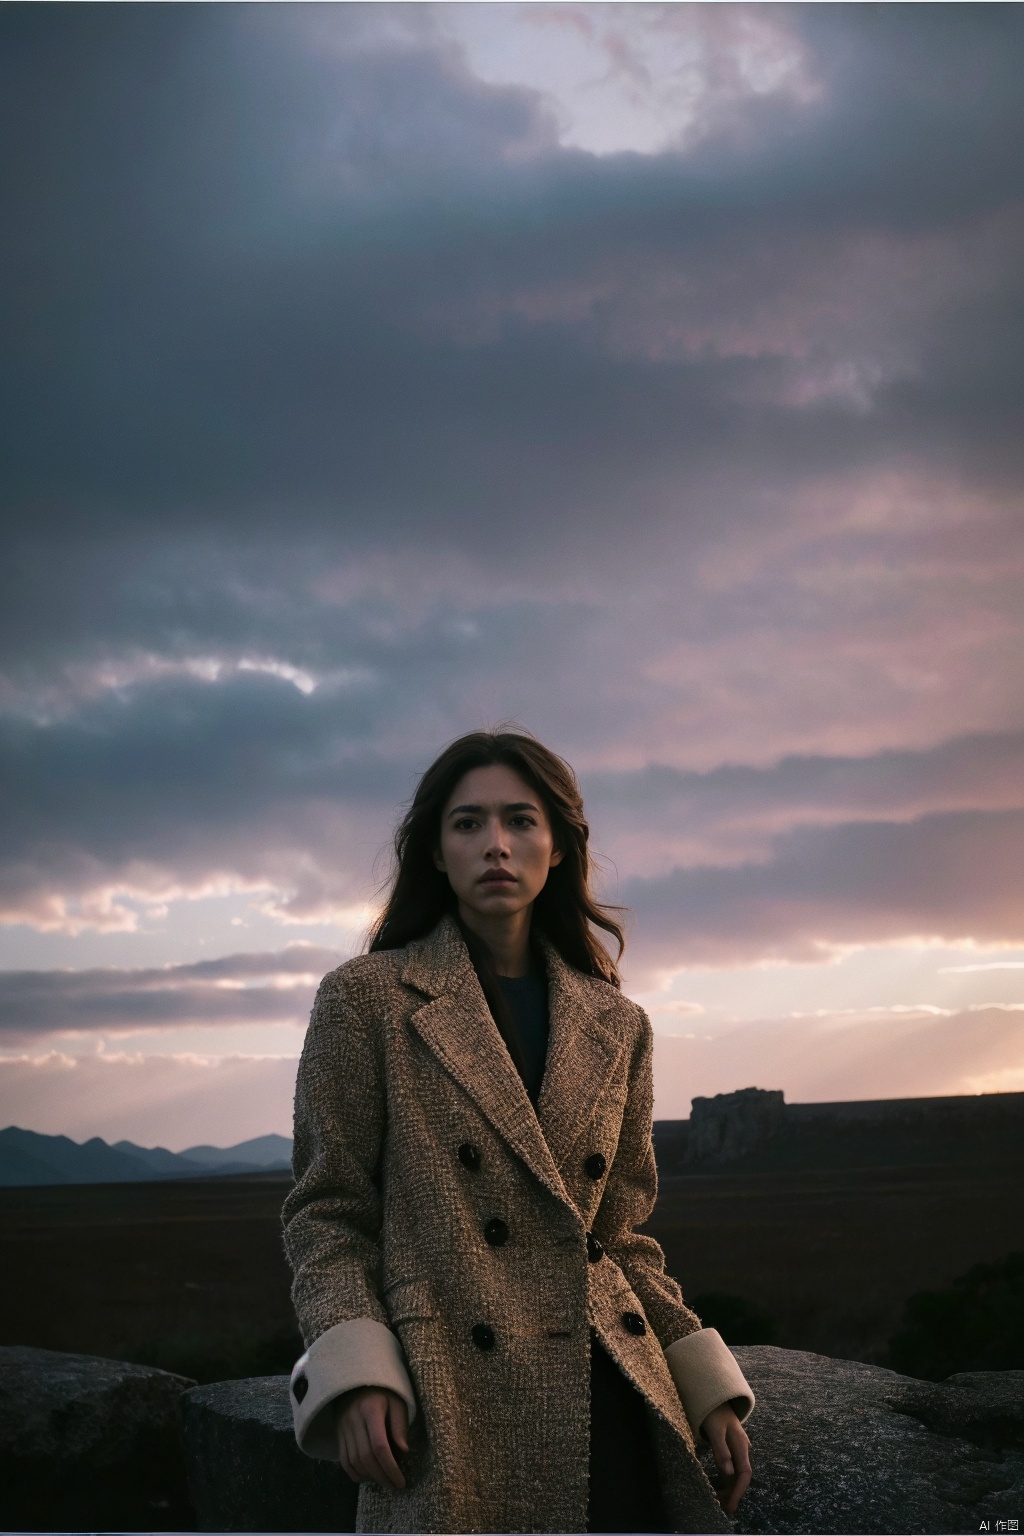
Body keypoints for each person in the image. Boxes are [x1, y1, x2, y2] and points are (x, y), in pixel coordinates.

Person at [282, 730, 754, 1534]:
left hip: (610, 1393)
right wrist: (356, 1371)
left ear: (560, 846)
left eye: (520, 821)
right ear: (435, 851)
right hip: (446, 1401)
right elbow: (327, 1214)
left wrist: (699, 1379)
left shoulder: (617, 1024)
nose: (495, 845)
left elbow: (621, 1236)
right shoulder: (366, 1001)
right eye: (467, 824)